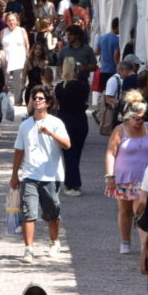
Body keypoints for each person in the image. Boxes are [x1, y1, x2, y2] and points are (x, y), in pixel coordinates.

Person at [10, 85, 71, 264]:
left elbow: (67, 144)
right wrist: (14, 175)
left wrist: (50, 133)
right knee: (28, 212)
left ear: (48, 102)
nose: (36, 101)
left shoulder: (56, 123)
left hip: (51, 175)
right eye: (34, 98)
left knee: (52, 212)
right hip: (30, 175)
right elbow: (18, 151)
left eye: (40, 98)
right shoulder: (25, 125)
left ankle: (54, 241)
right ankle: (29, 249)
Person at [105, 90, 148, 254]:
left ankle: (144, 244)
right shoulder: (120, 130)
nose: (141, 121)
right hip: (124, 177)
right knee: (125, 210)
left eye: (143, 117)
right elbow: (110, 152)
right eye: (137, 118)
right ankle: (125, 241)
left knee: (141, 210)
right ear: (129, 116)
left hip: (146, 179)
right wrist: (110, 175)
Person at [54, 57, 90, 197]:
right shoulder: (83, 86)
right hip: (80, 120)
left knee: (69, 154)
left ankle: (73, 184)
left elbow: (57, 105)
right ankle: (72, 183)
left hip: (64, 121)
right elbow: (85, 101)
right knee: (76, 154)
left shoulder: (60, 87)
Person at [1, 13, 30, 107]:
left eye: (13, 20)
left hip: (19, 58)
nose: (11, 22)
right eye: (9, 20)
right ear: (6, 21)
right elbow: (0, 46)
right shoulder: (3, 31)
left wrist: (27, 56)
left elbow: (27, 45)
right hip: (7, 58)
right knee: (6, 80)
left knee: (18, 79)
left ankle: (18, 100)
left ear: (17, 21)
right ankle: (6, 99)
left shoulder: (22, 30)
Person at [95, 18, 121, 91]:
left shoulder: (102, 37)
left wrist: (104, 52)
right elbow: (115, 56)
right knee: (112, 91)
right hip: (112, 70)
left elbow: (96, 52)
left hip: (103, 69)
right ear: (117, 27)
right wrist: (118, 67)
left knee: (105, 91)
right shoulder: (117, 39)